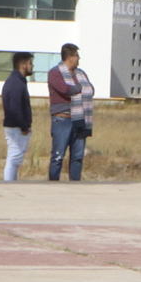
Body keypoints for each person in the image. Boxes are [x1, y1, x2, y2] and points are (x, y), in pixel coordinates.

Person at [47, 44, 94, 181]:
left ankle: (75, 185)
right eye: (76, 55)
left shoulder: (81, 74)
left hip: (79, 120)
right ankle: (53, 184)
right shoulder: (54, 73)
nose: (79, 58)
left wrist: (81, 89)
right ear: (69, 57)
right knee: (58, 156)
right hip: (62, 120)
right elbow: (66, 90)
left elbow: (91, 90)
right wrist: (82, 88)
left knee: (78, 157)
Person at [1, 52, 35, 181]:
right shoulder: (16, 83)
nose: (32, 66)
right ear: (23, 65)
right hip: (16, 128)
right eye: (30, 63)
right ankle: (9, 184)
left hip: (15, 126)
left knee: (14, 160)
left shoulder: (17, 81)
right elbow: (15, 108)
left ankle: (11, 183)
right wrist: (24, 125)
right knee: (13, 160)